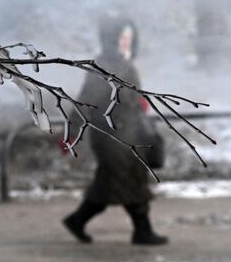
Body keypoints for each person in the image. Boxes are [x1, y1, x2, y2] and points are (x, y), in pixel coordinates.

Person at [63, 15, 168, 246]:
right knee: (118, 182)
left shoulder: (125, 65)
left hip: (131, 134)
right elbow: (84, 102)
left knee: (126, 181)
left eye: (129, 38)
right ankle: (138, 230)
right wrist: (70, 134)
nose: (127, 43)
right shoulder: (102, 68)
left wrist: (139, 102)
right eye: (123, 38)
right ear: (111, 40)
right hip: (111, 137)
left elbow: (132, 96)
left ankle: (82, 221)